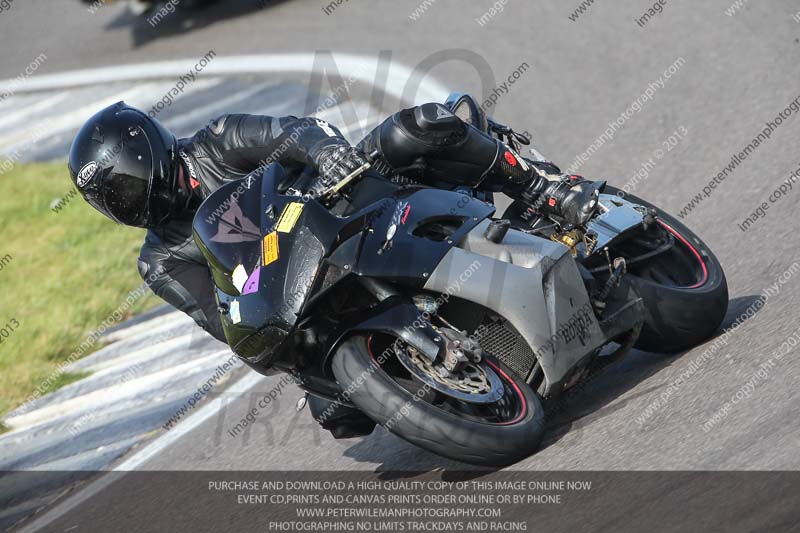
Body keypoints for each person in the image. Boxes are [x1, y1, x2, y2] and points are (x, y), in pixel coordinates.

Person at [68, 98, 600, 438]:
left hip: (349, 205)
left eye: (125, 185)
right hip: (304, 289)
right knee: (336, 413)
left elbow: (298, 133)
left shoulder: (218, 139)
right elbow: (220, 316)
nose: (126, 204)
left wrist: (327, 155)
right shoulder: (158, 259)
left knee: (415, 127)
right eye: (111, 201)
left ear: (150, 153)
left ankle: (543, 188)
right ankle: (450, 366)